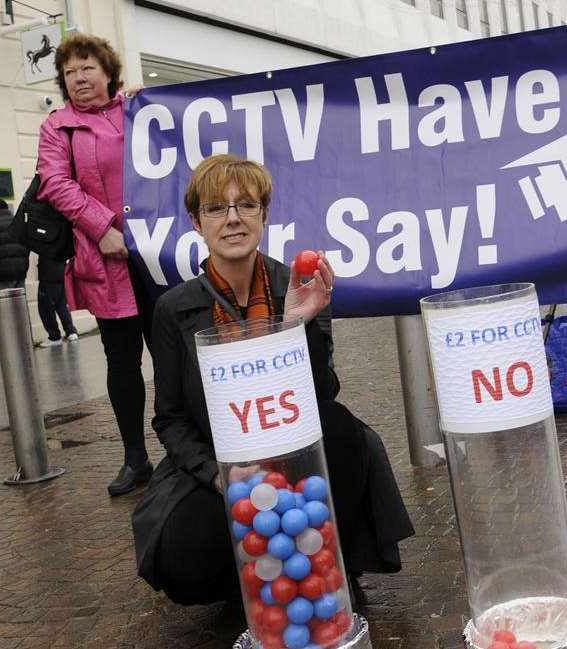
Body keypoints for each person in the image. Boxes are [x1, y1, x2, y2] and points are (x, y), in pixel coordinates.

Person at [131, 154, 414, 608]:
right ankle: (249, 581)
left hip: (297, 450)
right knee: (184, 550)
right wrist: (220, 475)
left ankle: (326, 564)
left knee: (340, 429)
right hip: (224, 462)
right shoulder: (172, 308)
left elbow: (322, 393)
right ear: (195, 222)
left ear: (264, 213)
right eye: (216, 209)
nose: (233, 219)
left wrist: (299, 322)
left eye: (245, 205)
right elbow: (171, 421)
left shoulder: (296, 283)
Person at [37, 33, 154, 494]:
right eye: (70, 72)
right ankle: (135, 457)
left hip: (154, 254)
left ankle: (185, 450)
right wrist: (102, 227)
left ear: (108, 72)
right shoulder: (56, 127)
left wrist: (154, 103)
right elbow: (55, 183)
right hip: (105, 260)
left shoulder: (138, 111)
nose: (79, 78)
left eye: (87, 68)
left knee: (170, 358)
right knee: (121, 361)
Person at [35, 255, 78, 347]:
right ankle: (71, 332)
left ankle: (54, 337)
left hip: (48, 275)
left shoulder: (44, 240)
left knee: (45, 308)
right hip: (61, 273)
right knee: (61, 305)